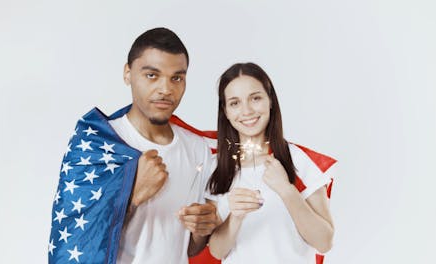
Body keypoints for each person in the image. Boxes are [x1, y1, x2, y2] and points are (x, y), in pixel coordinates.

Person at [48, 27, 218, 264]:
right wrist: (133, 195)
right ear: (128, 73)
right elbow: (79, 238)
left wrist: (202, 229)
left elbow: (188, 248)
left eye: (177, 78)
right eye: (152, 75)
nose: (166, 89)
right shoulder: (99, 144)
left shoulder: (198, 149)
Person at [206, 63, 337, 264]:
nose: (247, 111)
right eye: (235, 103)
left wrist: (286, 190)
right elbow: (216, 251)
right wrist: (235, 218)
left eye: (255, 98)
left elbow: (324, 242)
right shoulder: (216, 168)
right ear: (225, 111)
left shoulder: (299, 160)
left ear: (270, 101)